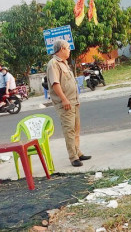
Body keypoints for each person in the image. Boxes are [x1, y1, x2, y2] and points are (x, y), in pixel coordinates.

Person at [46, 39, 91, 167]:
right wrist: (64, 99)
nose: (69, 50)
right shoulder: (53, 64)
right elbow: (55, 84)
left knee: (76, 128)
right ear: (61, 49)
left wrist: (75, 99)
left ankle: (78, 152)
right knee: (69, 130)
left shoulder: (64, 63)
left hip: (73, 101)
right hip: (65, 103)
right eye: (68, 48)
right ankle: (73, 157)